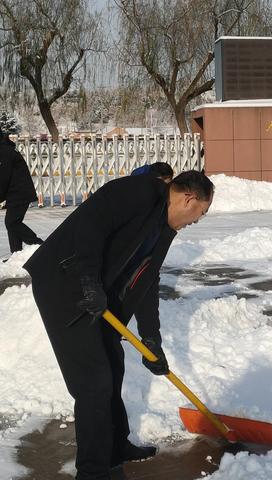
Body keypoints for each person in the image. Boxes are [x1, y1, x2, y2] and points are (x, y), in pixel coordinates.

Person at [24, 170, 214, 480]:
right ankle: (92, 471)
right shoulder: (137, 191)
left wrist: (151, 339)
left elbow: (147, 281)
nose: (197, 220)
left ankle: (114, 447)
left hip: (95, 291)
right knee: (94, 383)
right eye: (201, 212)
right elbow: (89, 226)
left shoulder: (164, 227)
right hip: (63, 285)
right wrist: (87, 282)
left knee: (113, 362)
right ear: (188, 198)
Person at [0, 112, 42, 254]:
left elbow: (3, 177)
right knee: (12, 223)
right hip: (15, 193)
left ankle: (39, 245)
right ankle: (16, 254)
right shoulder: (4, 149)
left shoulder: (4, 151)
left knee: (12, 222)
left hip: (20, 192)